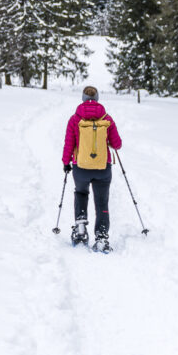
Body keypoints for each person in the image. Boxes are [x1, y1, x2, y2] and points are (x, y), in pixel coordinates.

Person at [61, 85, 122, 251]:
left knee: (81, 192)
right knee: (102, 201)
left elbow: (69, 144)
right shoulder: (107, 119)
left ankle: (80, 227)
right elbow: (117, 144)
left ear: (82, 98)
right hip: (103, 167)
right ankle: (101, 237)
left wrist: (66, 162)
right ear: (97, 98)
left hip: (81, 167)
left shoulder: (75, 119)